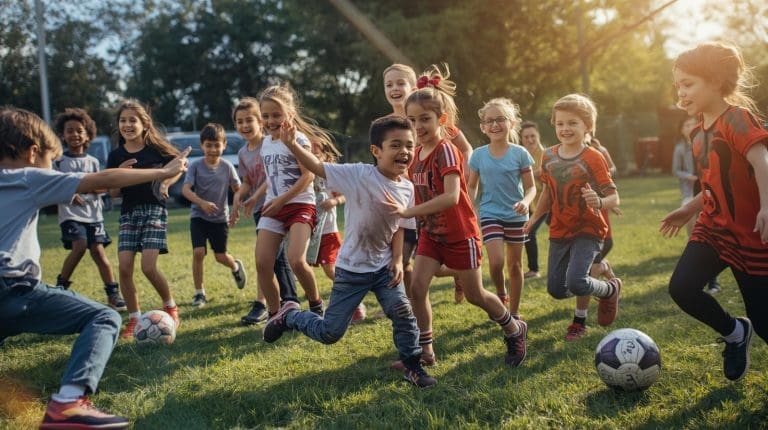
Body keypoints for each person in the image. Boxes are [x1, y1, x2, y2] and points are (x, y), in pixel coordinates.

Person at [0, 107, 187, 429]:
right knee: (104, 316)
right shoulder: (28, 176)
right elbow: (104, 178)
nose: (52, 172)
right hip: (13, 288)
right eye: (50, 163)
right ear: (32, 152)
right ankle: (69, 403)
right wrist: (160, 173)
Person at [262, 116, 437, 387]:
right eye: (396, 145)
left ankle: (413, 366)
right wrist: (293, 146)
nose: (404, 151)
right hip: (352, 269)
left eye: (409, 145)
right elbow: (318, 167)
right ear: (376, 151)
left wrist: (399, 260)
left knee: (402, 310)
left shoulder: (407, 187)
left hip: (384, 268)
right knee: (330, 332)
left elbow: (401, 226)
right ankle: (291, 316)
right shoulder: (359, 174)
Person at [394, 65, 528, 367]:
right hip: (432, 234)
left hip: (460, 235)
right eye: (412, 120)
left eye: (425, 119)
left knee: (475, 295)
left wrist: (410, 211)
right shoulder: (415, 155)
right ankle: (425, 351)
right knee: (417, 287)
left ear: (441, 120)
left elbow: (452, 196)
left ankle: (513, 328)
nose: (418, 126)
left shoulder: (446, 151)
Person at [661, 41, 768, 382]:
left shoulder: (736, 119)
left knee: (765, 320)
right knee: (682, 287)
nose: (681, 92)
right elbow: (712, 185)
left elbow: (762, 160)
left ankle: (752, 327)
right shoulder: (695, 134)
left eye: (688, 84)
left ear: (716, 82)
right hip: (713, 228)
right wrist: (688, 208)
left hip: (752, 234)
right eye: (678, 85)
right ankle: (735, 333)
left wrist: (767, 206)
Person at [524, 94, 622, 342]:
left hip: (588, 230)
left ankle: (592, 308)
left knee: (578, 281)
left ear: (587, 126)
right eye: (560, 123)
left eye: (572, 123)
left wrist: (599, 202)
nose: (565, 129)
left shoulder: (593, 157)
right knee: (556, 289)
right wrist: (533, 220)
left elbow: (614, 198)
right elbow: (547, 192)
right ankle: (605, 282)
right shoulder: (548, 156)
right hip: (559, 230)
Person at [383, 64, 472, 303]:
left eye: (400, 83)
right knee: (404, 259)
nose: (394, 88)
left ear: (412, 88)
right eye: (389, 84)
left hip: (434, 203)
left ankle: (460, 274)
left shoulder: (436, 123)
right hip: (408, 200)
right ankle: (408, 305)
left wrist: (463, 182)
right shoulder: (388, 125)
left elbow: (465, 150)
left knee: (410, 259)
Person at [256, 84, 336, 320]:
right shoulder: (265, 142)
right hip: (273, 207)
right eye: (266, 115)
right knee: (262, 262)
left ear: (289, 115)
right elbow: (271, 177)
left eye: (276, 115)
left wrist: (283, 199)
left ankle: (315, 305)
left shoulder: (298, 139)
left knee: (296, 260)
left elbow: (308, 175)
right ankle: (275, 315)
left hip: (300, 204)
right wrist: (258, 199)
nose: (271, 120)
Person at [106, 99, 185, 337]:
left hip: (154, 210)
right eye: (123, 120)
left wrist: (166, 183)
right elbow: (113, 193)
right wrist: (123, 177)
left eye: (132, 120)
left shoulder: (156, 150)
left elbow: (180, 164)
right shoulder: (115, 155)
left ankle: (170, 306)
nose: (127, 125)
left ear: (144, 124)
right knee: (125, 267)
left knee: (148, 267)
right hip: (129, 212)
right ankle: (134, 319)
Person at [230, 97, 299, 325]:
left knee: (277, 258)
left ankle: (281, 303)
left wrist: (257, 196)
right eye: (239, 121)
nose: (244, 125)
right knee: (268, 258)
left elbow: (272, 177)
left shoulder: (270, 143)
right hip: (261, 210)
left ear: (260, 121)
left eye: (249, 120)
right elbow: (248, 181)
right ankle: (277, 305)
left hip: (278, 204)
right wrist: (240, 198)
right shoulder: (242, 153)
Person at [467, 98, 536, 320]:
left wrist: (526, 202)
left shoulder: (520, 154)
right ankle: (500, 292)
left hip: (516, 215)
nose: (495, 125)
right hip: (490, 213)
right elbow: (471, 185)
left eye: (500, 119)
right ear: (483, 127)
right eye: (490, 121)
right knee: (496, 263)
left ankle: (514, 313)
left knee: (515, 266)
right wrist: (469, 208)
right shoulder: (478, 155)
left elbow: (532, 188)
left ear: (512, 123)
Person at [52, 108, 126, 311]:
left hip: (94, 216)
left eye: (79, 130)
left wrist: (89, 188)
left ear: (87, 135)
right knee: (80, 245)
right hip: (71, 215)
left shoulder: (93, 162)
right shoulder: (59, 162)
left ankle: (113, 294)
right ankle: (60, 287)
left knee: (99, 252)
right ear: (62, 135)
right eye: (70, 131)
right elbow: (55, 186)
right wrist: (70, 193)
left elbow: (103, 187)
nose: (74, 134)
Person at [182, 123, 246, 307]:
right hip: (198, 217)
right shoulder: (195, 166)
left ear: (224, 145)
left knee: (220, 256)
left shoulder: (227, 167)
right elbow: (186, 190)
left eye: (216, 145)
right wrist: (201, 203)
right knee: (198, 252)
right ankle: (199, 293)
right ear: (202, 145)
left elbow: (238, 190)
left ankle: (235, 266)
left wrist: (235, 209)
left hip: (219, 219)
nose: (212, 149)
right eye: (208, 145)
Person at [306, 140, 366, 322]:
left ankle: (355, 301)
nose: (314, 156)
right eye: (310, 153)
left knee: (331, 270)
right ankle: (314, 304)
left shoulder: (330, 175)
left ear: (325, 156)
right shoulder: (304, 175)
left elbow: (346, 194)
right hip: (309, 232)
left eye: (317, 154)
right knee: (302, 267)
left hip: (328, 231)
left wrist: (334, 201)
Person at [672, 116, 720, 294]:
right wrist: (689, 177)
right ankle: (700, 276)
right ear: (682, 129)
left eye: (692, 123)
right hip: (689, 193)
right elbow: (675, 170)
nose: (690, 126)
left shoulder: (707, 143)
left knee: (711, 235)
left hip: (708, 192)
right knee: (696, 235)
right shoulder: (679, 148)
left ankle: (713, 280)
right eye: (686, 124)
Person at [519, 121, 547, 279]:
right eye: (526, 137)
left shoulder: (546, 155)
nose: (530, 140)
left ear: (538, 137)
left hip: (548, 203)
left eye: (533, 136)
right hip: (530, 203)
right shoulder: (520, 154)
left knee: (565, 234)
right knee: (528, 232)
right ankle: (534, 270)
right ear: (521, 138)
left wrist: (536, 174)